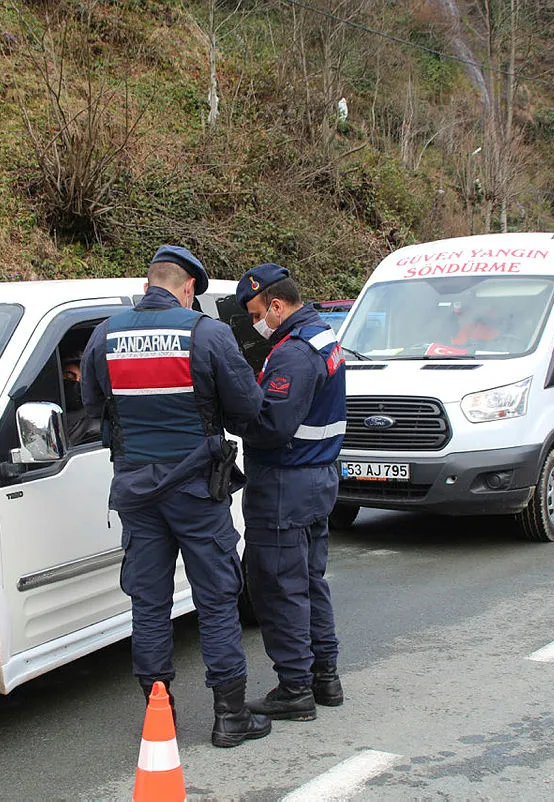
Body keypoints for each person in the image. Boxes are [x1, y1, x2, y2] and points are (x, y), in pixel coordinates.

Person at [80, 245, 271, 748]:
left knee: (148, 602)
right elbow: (249, 409)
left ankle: (157, 716)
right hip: (197, 492)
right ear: (188, 289)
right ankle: (230, 717)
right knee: (216, 601)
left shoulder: (104, 335)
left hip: (137, 492)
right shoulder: (205, 333)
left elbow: (94, 405)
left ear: (148, 286)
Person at [234, 263, 345, 721]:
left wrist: (232, 413)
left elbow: (271, 425)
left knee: (279, 586)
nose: (257, 322)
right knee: (309, 581)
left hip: (285, 481)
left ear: (276, 305)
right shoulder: (324, 336)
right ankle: (325, 678)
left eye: (258, 312)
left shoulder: (292, 354)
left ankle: (295, 687)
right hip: (317, 479)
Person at [61, 358, 101, 446]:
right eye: (69, 377)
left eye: (83, 381)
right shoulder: (48, 411)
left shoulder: (95, 426)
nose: (76, 384)